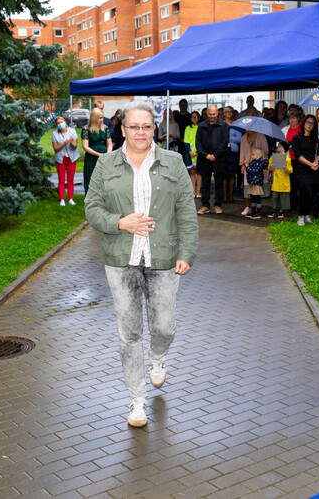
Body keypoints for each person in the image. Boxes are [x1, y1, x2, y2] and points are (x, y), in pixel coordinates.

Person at [84, 100, 198, 428]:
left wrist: (186, 252)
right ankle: (137, 400)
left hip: (163, 258)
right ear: (122, 129)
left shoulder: (173, 162)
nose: (140, 132)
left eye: (146, 126)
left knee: (164, 328)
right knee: (130, 333)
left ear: (154, 129)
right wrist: (120, 222)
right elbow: (92, 209)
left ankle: (158, 358)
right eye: (133, 126)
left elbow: (186, 211)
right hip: (121, 260)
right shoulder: (106, 164)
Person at [195, 105, 229, 214]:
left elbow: (225, 142)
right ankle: (205, 205)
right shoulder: (201, 126)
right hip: (204, 159)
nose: (212, 116)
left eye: (214, 114)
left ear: (217, 113)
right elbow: (198, 143)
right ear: (207, 114)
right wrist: (206, 155)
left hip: (219, 159)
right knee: (205, 183)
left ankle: (218, 205)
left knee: (219, 183)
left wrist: (215, 155)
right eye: (210, 114)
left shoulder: (223, 125)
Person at [292, 114, 319, 225]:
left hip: (313, 169)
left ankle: (307, 215)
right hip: (301, 170)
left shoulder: (315, 139)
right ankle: (301, 216)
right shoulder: (297, 138)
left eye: (312, 123)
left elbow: (318, 153)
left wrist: (316, 162)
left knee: (312, 193)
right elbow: (298, 156)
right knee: (305, 192)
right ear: (303, 123)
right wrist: (310, 164)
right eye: (308, 122)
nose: (309, 125)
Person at [81, 108, 113, 196]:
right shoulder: (86, 129)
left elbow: (109, 143)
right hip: (92, 157)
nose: (102, 120)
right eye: (100, 118)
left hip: (105, 156)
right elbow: (85, 146)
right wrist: (98, 154)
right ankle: (91, 199)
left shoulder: (105, 128)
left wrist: (108, 154)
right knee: (91, 177)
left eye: (102, 117)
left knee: (105, 178)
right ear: (94, 118)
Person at [239, 129, 269, 216]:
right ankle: (248, 207)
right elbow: (242, 151)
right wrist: (242, 164)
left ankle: (257, 209)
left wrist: (256, 150)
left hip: (258, 165)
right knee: (247, 185)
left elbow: (266, 151)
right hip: (247, 164)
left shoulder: (261, 136)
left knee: (257, 189)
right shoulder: (244, 137)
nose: (247, 129)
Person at [52, 115, 80, 206]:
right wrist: (64, 143)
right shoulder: (54, 134)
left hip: (71, 158)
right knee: (61, 180)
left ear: (65, 122)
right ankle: (62, 199)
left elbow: (75, 146)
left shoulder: (72, 131)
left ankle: (71, 199)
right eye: (58, 123)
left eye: (62, 122)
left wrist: (71, 142)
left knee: (70, 180)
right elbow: (55, 148)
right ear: (57, 125)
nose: (60, 124)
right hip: (60, 159)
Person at [267, 142, 292, 219]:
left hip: (284, 181)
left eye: (280, 146)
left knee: (283, 197)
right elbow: (268, 168)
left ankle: (281, 211)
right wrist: (270, 166)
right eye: (278, 145)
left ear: (284, 148)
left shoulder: (287, 158)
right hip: (276, 181)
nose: (278, 147)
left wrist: (286, 168)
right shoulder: (273, 157)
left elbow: (291, 170)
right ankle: (273, 210)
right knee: (274, 196)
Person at [243, 148, 267, 219]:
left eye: (253, 154)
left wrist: (247, 166)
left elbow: (253, 171)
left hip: (256, 182)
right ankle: (253, 211)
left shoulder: (260, 163)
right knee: (252, 197)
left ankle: (258, 212)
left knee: (257, 197)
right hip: (252, 182)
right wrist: (247, 165)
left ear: (258, 155)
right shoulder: (253, 162)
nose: (252, 156)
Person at [222, 106, 239, 204]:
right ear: (224, 113)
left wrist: (230, 138)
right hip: (223, 151)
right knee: (224, 175)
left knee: (232, 174)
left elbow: (239, 138)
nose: (229, 113)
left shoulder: (236, 124)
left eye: (231, 111)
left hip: (233, 151)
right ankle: (224, 196)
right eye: (227, 111)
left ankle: (231, 196)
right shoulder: (221, 124)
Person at [183, 111, 201, 197]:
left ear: (199, 118)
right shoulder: (187, 128)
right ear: (190, 118)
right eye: (193, 117)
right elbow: (186, 141)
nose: (194, 118)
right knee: (192, 172)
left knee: (199, 172)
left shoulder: (201, 127)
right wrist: (190, 151)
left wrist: (198, 151)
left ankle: (198, 192)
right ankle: (193, 191)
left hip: (199, 153)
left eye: (196, 116)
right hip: (190, 153)